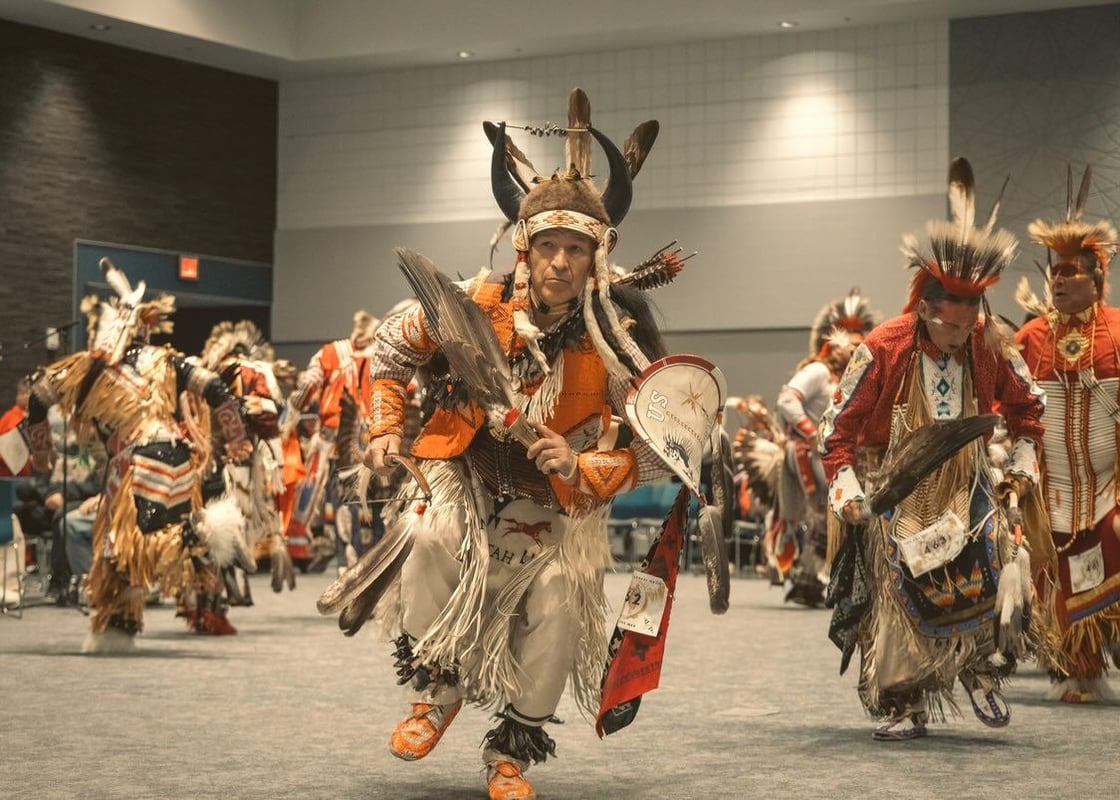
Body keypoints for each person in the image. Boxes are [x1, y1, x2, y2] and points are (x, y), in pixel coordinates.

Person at [346, 89, 695, 800]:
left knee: (563, 597)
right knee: (429, 533)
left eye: (576, 249)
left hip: (556, 499)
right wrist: (386, 427)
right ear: (521, 246)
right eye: (548, 247)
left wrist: (588, 462)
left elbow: (666, 447)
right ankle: (436, 691)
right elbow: (389, 349)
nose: (560, 263)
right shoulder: (470, 307)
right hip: (465, 471)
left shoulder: (619, 342)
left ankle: (512, 750)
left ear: (599, 257)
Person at [818, 158, 1046, 740]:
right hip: (894, 482)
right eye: (949, 328)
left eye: (969, 326)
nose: (959, 337)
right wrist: (847, 493)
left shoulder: (989, 345)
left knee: (993, 556)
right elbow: (834, 432)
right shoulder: (883, 349)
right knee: (902, 579)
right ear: (924, 309)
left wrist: (1020, 467)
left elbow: (1029, 411)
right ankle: (905, 701)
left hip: (968, 479)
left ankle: (975, 663)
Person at [26, 259, 252, 651]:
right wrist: (236, 438)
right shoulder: (168, 360)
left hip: (135, 464)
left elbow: (36, 399)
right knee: (128, 548)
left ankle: (195, 540)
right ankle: (124, 620)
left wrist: (42, 456)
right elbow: (216, 388)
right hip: (178, 465)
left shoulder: (84, 369)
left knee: (125, 545)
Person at [1015, 165, 1120, 703]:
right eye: (1055, 271)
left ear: (1097, 279)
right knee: (1064, 575)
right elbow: (1009, 405)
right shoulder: (1032, 336)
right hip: (1053, 490)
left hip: (1110, 484)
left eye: (1071, 272)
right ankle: (1080, 669)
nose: (1057, 279)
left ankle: (1104, 657)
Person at [767, 291, 876, 605]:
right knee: (830, 509)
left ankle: (819, 575)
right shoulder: (818, 371)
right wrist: (814, 433)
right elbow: (787, 400)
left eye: (859, 345)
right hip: (812, 453)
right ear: (834, 345)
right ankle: (810, 576)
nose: (854, 350)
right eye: (849, 344)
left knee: (838, 511)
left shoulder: (856, 377)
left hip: (838, 453)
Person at [283, 311, 379, 573]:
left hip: (340, 442)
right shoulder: (382, 352)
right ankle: (365, 565)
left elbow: (307, 387)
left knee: (346, 503)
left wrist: (287, 418)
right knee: (372, 506)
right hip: (371, 441)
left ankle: (350, 565)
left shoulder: (330, 353)